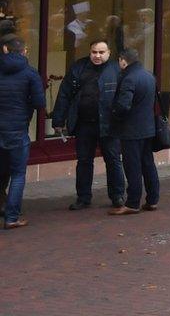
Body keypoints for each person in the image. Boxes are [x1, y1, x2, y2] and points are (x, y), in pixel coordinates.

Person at [52, 38, 123, 210]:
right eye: (94, 52)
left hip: (109, 124)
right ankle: (83, 197)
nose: (97, 56)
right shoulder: (79, 67)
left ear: (108, 53)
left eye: (101, 52)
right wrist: (58, 120)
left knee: (113, 160)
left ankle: (117, 195)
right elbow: (65, 93)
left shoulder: (116, 69)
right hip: (84, 123)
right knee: (84, 161)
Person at [108, 47, 160, 215]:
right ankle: (152, 199)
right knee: (148, 164)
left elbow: (123, 105)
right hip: (148, 128)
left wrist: (114, 113)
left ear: (123, 60)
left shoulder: (129, 78)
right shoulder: (148, 76)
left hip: (131, 130)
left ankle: (132, 203)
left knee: (133, 167)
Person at [0, 35, 41, 228]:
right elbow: (40, 102)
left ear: (5, 49)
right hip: (17, 129)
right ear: (24, 51)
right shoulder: (31, 73)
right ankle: (11, 217)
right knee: (18, 174)